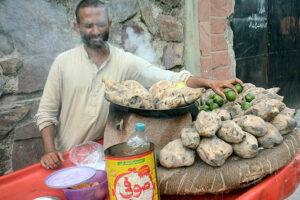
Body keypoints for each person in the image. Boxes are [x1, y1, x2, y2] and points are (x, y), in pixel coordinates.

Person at [35, 0, 243, 169]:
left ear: (110, 25)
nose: (96, 30)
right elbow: (46, 112)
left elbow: (171, 77)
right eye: (88, 26)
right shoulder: (63, 62)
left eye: (100, 24)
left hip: (103, 154)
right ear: (77, 27)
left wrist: (209, 83)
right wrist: (49, 149)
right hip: (67, 158)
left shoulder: (124, 61)